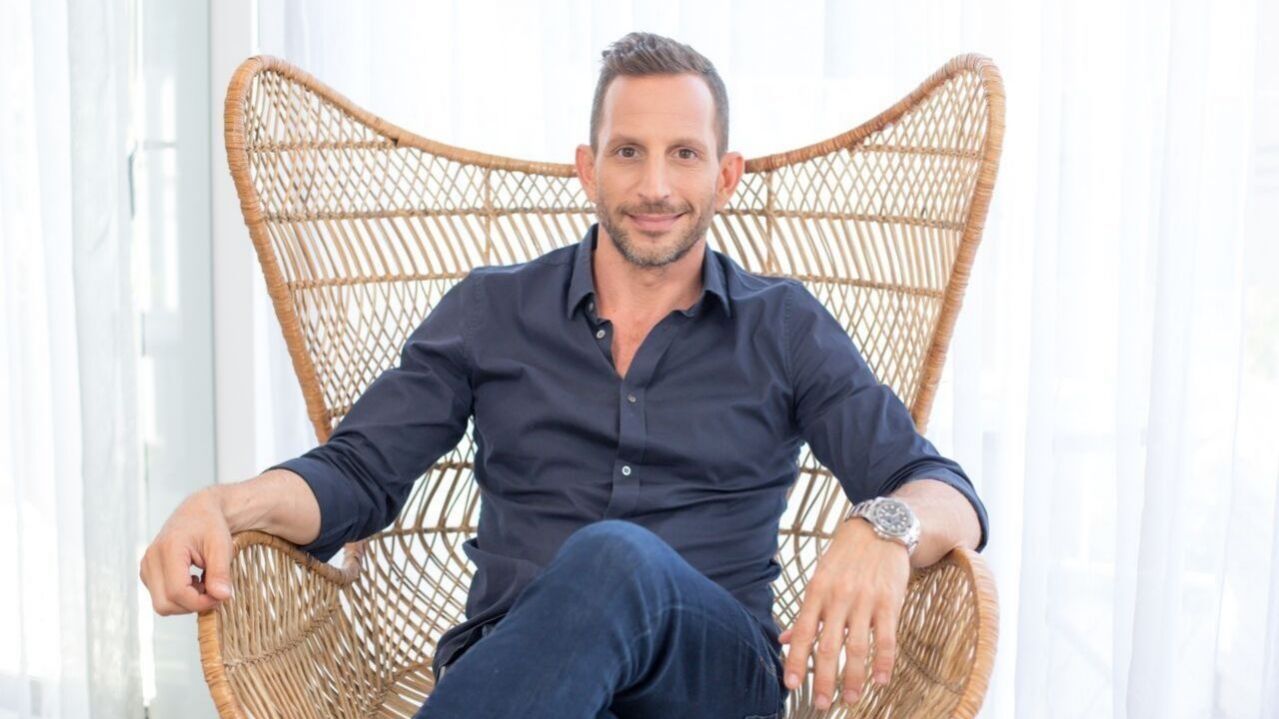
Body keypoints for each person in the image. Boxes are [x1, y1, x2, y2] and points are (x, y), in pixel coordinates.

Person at [140, 31, 989, 719]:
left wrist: (883, 524)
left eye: (684, 154)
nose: (654, 186)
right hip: (516, 669)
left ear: (724, 176)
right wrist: (225, 504)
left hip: (709, 679)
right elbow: (358, 472)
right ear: (588, 168)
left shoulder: (783, 325)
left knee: (614, 557)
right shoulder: (492, 309)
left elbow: (944, 490)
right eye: (628, 152)